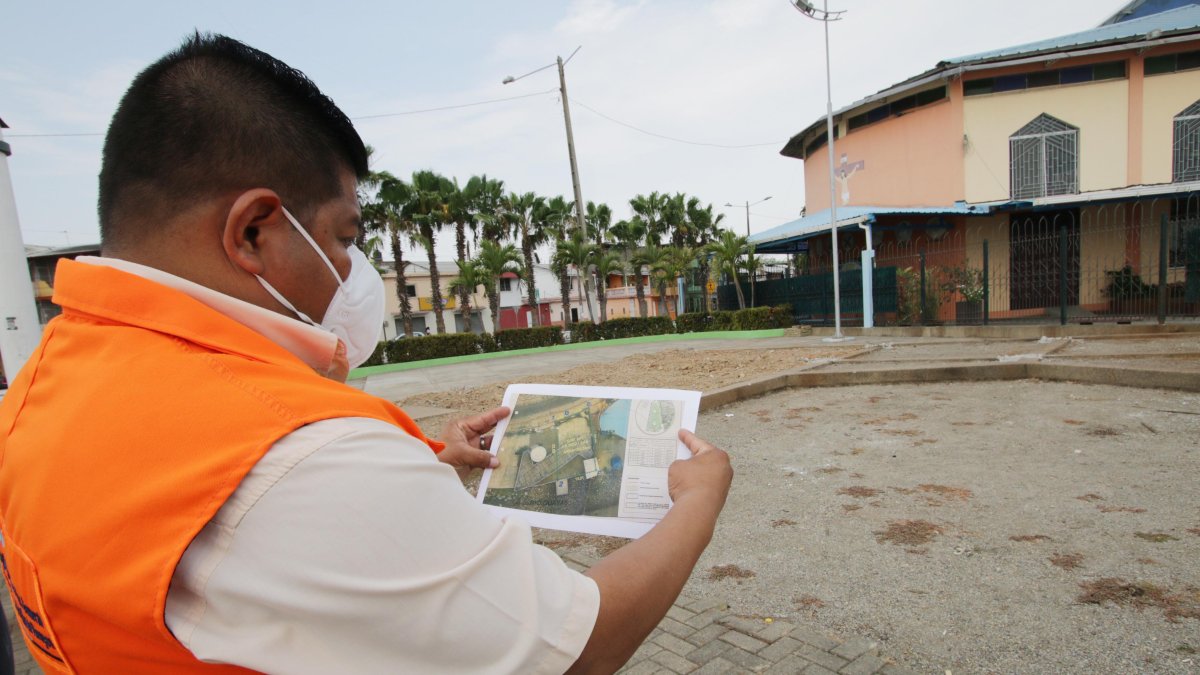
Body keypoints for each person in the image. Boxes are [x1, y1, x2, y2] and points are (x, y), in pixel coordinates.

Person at [0, 33, 732, 674]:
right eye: (346, 238)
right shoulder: (306, 459)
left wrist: (425, 464)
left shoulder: (40, 384)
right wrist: (697, 503)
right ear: (254, 231)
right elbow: (579, 645)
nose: (354, 272)